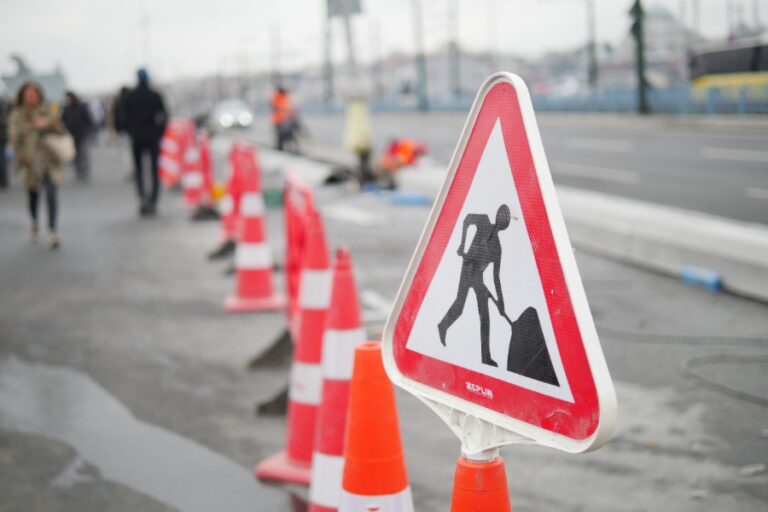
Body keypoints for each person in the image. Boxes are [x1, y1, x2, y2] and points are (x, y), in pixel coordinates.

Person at [437, 205, 514, 367]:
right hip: (467, 268)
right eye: (501, 219)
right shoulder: (484, 221)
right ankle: (442, 326)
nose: (501, 223)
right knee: (459, 307)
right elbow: (467, 220)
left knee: (485, 317)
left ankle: (485, 357)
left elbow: (495, 277)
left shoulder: (497, 248)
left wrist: (501, 302)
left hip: (478, 277)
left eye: (504, 222)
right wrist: (462, 244)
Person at [8, 81, 68, 249]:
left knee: (52, 194)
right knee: (33, 195)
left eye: (34, 95)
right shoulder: (17, 115)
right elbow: (15, 140)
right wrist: (22, 159)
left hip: (49, 161)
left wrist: (46, 124)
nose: (31, 98)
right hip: (30, 163)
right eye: (27, 96)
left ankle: (52, 231)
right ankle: (34, 222)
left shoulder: (47, 111)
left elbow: (61, 129)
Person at [124, 69, 167, 216]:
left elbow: (124, 117)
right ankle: (153, 200)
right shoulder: (154, 95)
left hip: (137, 137)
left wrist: (131, 131)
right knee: (155, 171)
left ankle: (143, 198)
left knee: (139, 171)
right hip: (152, 137)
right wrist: (159, 133)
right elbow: (163, 116)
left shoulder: (131, 96)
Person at [61, 91, 94, 182]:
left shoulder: (81, 107)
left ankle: (84, 171)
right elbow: (63, 120)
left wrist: (90, 131)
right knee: (75, 155)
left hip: (82, 134)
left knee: (83, 153)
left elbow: (88, 120)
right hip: (71, 135)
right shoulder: (66, 108)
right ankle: (78, 171)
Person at [271, 86, 294, 151]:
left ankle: (281, 146)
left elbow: (288, 107)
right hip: (279, 119)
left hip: (283, 119)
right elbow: (278, 107)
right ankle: (280, 147)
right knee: (280, 134)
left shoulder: (283, 97)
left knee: (282, 134)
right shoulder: (277, 97)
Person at [0, 95, 10, 189]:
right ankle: (4, 180)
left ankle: (3, 180)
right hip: (4, 135)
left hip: (2, 136)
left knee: (2, 158)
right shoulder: (5, 107)